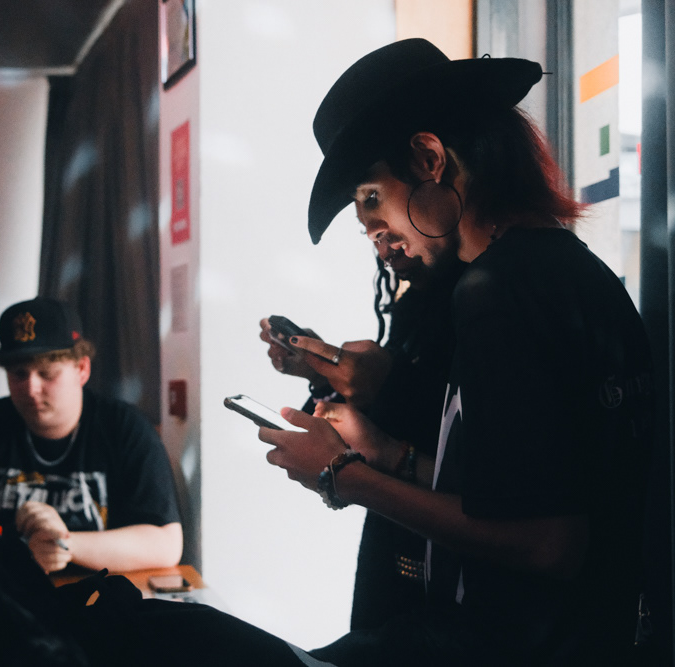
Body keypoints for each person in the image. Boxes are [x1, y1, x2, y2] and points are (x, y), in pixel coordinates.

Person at [258, 38, 653, 665]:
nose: (372, 232)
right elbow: (517, 491)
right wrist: (381, 452)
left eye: (371, 199)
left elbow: (547, 542)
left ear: (428, 158)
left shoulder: (495, 290)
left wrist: (343, 475)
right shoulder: (568, 269)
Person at [260, 240, 463, 630]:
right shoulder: (413, 307)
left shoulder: (476, 306)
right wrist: (321, 374)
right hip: (393, 553)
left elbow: (488, 493)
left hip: (452, 585)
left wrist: (381, 451)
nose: (383, 246)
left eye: (378, 212)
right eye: (367, 232)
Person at [0, 297, 183, 573]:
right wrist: (19, 548)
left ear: (81, 369)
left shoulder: (125, 428)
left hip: (99, 592)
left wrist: (64, 544)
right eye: (19, 374)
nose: (31, 388)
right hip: (1, 591)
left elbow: (165, 544)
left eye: (47, 373)